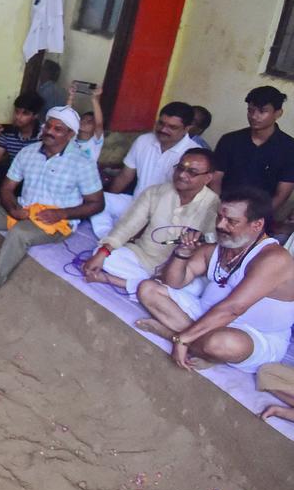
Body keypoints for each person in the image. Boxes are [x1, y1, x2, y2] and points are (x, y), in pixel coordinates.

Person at [0, 106, 104, 309]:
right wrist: (12, 208)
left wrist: (62, 213)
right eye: (48, 126)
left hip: (58, 221)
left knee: (19, 233)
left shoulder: (82, 163)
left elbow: (97, 203)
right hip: (24, 208)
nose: (49, 131)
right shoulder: (29, 152)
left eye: (58, 129)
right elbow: (7, 188)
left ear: (70, 135)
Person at [135, 187, 294, 373]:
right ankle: (202, 349)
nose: (220, 225)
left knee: (221, 343)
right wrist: (182, 253)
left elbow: (234, 308)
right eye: (220, 217)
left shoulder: (274, 259)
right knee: (147, 289)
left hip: (254, 334)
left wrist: (183, 339)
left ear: (257, 225)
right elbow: (173, 283)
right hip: (206, 315)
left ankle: (172, 334)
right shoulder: (217, 248)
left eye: (231, 221)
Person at [82, 149, 219, 295]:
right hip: (142, 256)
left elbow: (211, 247)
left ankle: (118, 280)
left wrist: (194, 246)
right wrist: (103, 252)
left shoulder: (214, 206)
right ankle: (152, 286)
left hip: (179, 269)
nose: (182, 175)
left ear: (208, 178)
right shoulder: (155, 192)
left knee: (197, 289)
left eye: (192, 172)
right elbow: (128, 225)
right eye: (180, 168)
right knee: (105, 256)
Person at [89, 101, 197, 238]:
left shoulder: (194, 155)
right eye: (161, 123)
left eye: (172, 127)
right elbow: (125, 176)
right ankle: (105, 235)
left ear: (187, 129)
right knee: (96, 199)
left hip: (162, 216)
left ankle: (116, 238)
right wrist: (104, 203)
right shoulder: (144, 140)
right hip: (135, 202)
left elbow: (188, 199)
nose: (163, 130)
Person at [211, 86, 294, 215]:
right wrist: (221, 210)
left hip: (259, 217)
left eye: (262, 111)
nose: (254, 116)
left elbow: (282, 194)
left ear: (278, 113)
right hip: (222, 210)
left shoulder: (289, 148)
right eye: (250, 110)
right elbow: (215, 179)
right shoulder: (230, 140)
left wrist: (255, 219)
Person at [69, 84, 105, 163]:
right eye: (82, 119)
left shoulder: (94, 142)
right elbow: (66, 116)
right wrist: (71, 96)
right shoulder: (71, 137)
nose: (84, 122)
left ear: (95, 127)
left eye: (89, 121)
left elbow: (99, 123)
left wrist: (94, 99)